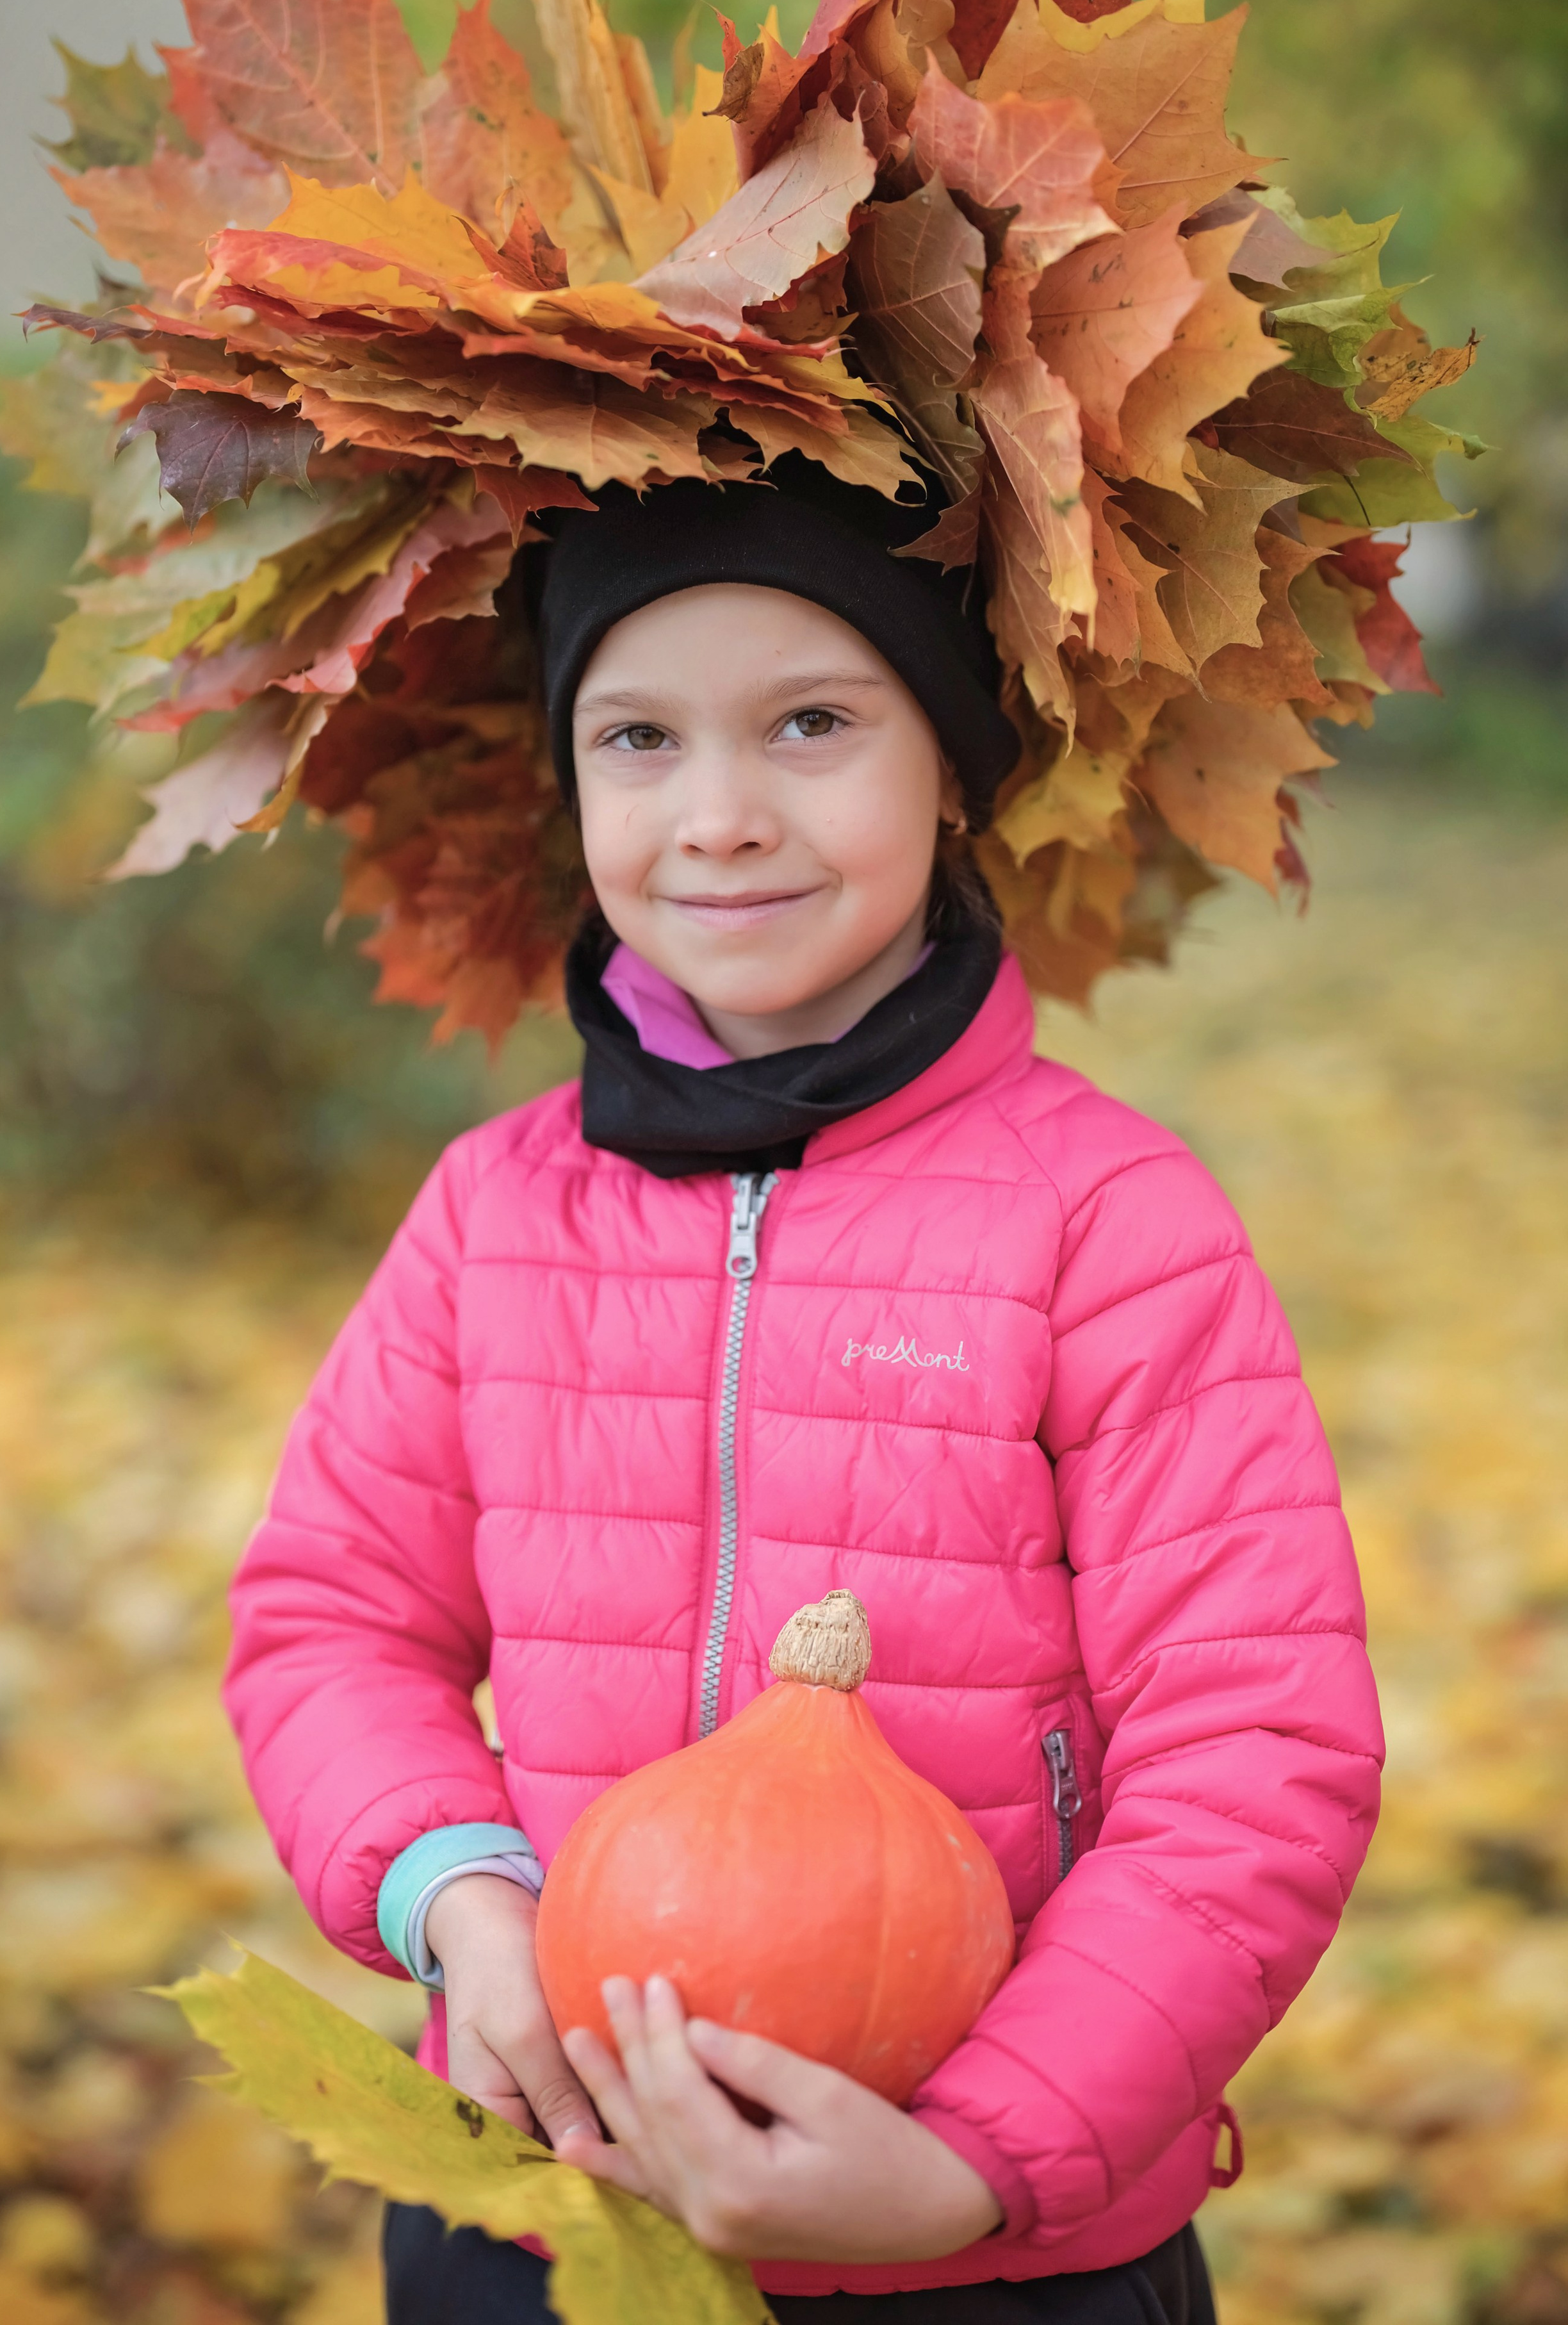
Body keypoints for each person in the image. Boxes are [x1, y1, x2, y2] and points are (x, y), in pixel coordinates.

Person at [224, 466, 1384, 2323]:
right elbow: (331, 1623)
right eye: (639, 737)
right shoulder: (496, 1215)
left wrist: (975, 2160)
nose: (721, 816)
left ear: (954, 763)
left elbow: (1257, 1760)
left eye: (815, 723)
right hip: (539, 2204)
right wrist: (462, 1900)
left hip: (984, 2246)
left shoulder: (1110, 1225)